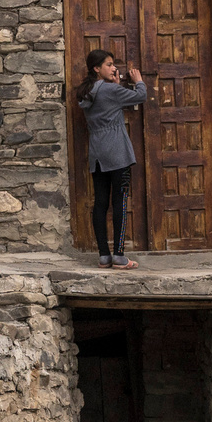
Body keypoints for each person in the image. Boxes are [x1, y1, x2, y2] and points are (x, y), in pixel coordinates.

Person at [77, 48, 147, 267]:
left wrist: (116, 87)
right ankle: (119, 255)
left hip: (97, 154)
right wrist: (139, 80)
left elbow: (109, 103)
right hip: (118, 154)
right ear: (97, 69)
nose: (114, 67)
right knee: (120, 202)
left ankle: (104, 255)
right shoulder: (110, 90)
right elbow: (141, 96)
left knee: (100, 203)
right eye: (109, 64)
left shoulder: (88, 91)